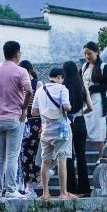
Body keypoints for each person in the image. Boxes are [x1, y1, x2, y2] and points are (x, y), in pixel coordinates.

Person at [0, 41, 33, 200]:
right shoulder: (21, 71)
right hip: (15, 117)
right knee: (12, 155)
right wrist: (24, 108)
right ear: (17, 54)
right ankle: (10, 189)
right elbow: (29, 91)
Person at [33, 66, 75, 200]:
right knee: (62, 160)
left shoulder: (40, 90)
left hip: (46, 130)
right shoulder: (62, 89)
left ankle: (45, 193)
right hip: (61, 129)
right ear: (59, 77)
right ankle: (63, 193)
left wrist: (46, 111)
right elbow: (67, 106)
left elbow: (34, 112)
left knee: (45, 162)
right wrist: (68, 107)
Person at [69, 57, 99, 195]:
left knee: (69, 156)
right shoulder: (82, 86)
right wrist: (82, 112)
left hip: (68, 123)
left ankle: (71, 188)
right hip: (81, 122)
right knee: (81, 156)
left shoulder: (63, 88)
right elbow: (90, 107)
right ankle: (85, 188)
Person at [18, 60, 42, 196]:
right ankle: (21, 183)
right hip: (20, 120)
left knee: (29, 153)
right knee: (20, 154)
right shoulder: (19, 83)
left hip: (34, 122)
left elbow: (41, 105)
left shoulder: (37, 84)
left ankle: (30, 184)